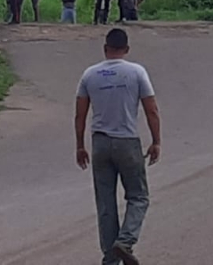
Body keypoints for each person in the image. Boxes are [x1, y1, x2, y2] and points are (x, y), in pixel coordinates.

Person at [74, 28, 161, 265]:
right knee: (138, 196)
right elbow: (151, 109)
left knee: (105, 202)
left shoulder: (90, 75)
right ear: (127, 50)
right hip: (127, 141)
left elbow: (80, 115)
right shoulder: (136, 72)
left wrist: (80, 146)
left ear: (105, 49)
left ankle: (110, 260)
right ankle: (125, 241)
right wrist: (156, 141)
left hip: (100, 142)